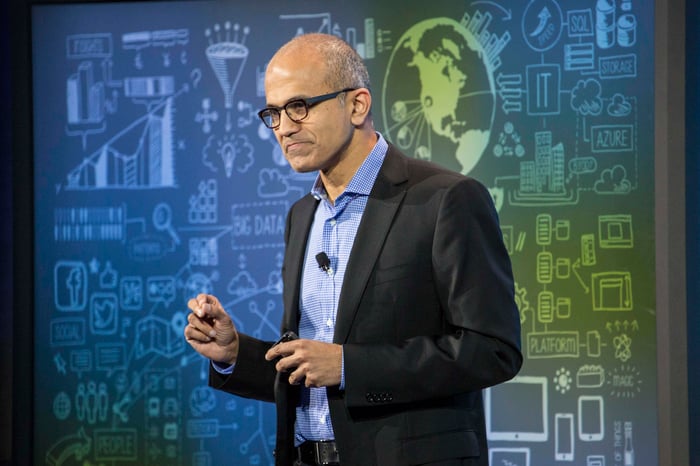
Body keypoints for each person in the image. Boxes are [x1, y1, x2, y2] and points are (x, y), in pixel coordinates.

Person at [185, 32, 522, 466]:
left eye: (299, 106)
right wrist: (235, 354)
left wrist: (349, 367)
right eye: (274, 113)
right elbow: (310, 366)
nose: (284, 127)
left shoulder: (446, 200)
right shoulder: (301, 216)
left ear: (357, 105)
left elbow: (492, 350)